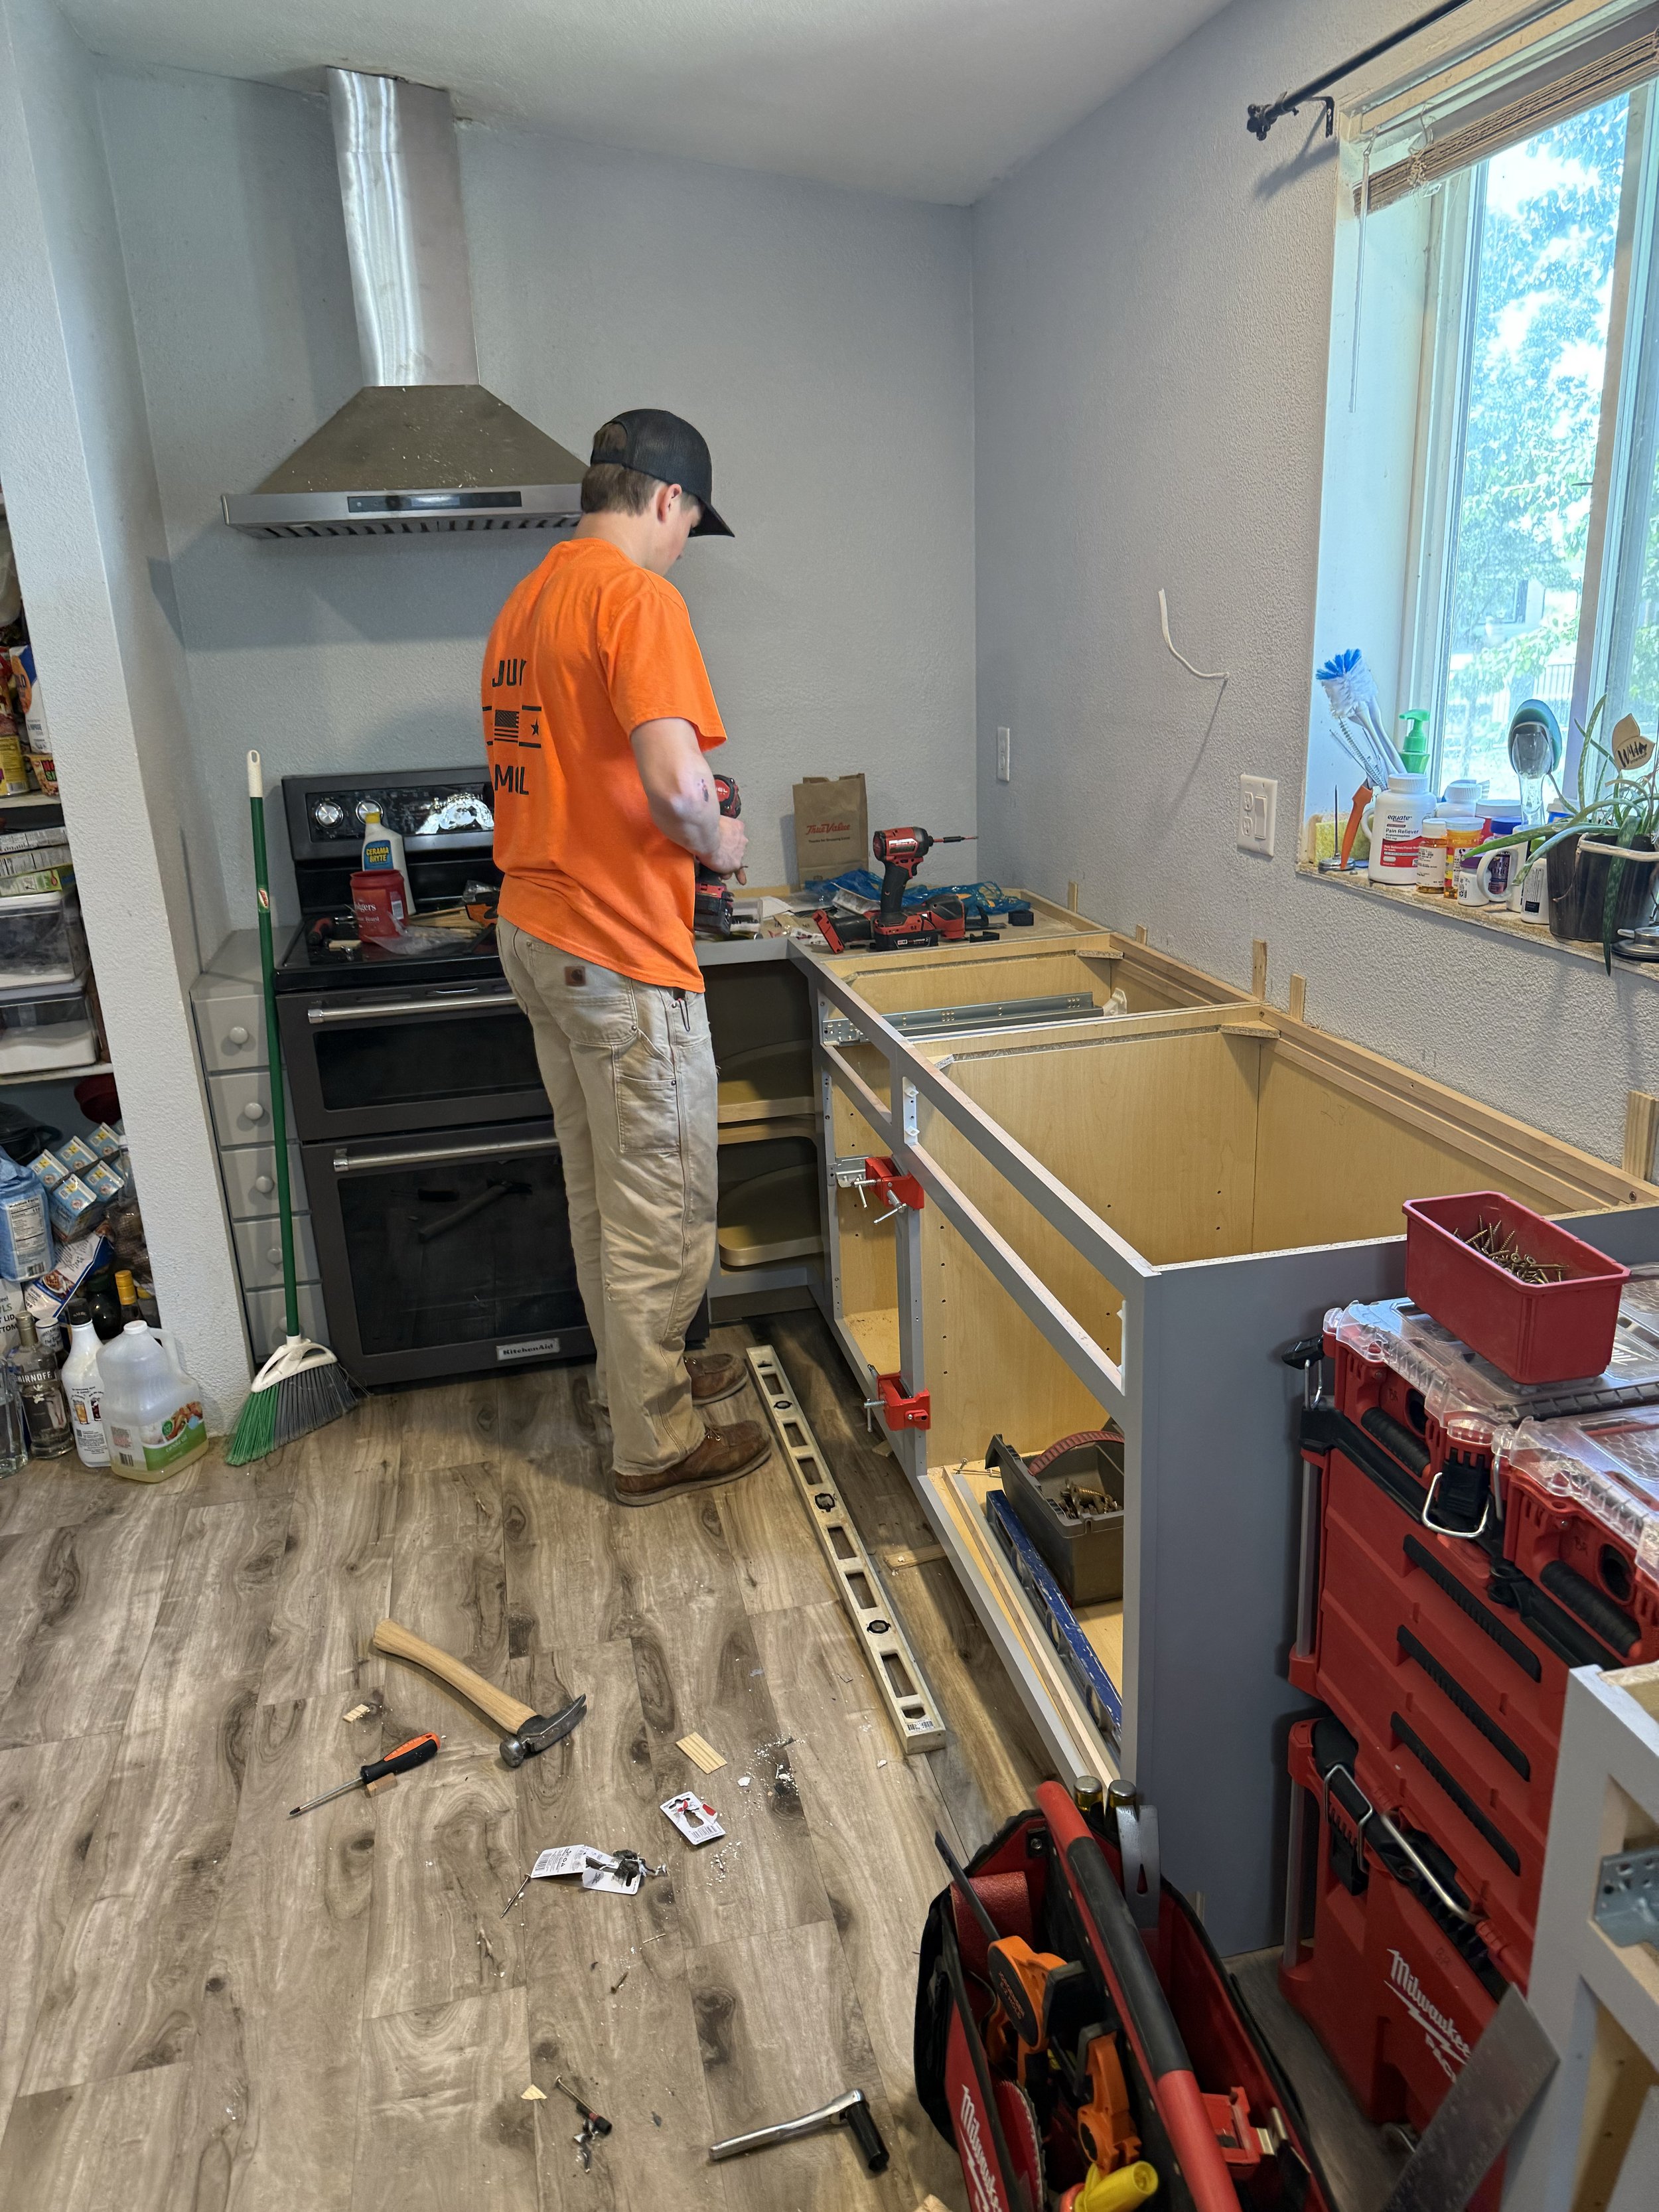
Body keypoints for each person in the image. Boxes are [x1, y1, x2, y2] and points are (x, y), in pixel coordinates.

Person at [483, 409, 769, 1506]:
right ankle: (654, 1441)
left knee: (602, 1190)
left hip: (538, 931)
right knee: (658, 1201)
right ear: (665, 500)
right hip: (614, 948)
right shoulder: (637, 596)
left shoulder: (528, 600)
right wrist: (721, 840)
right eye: (691, 521)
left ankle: (634, 1378)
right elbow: (678, 785)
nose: (685, 544)